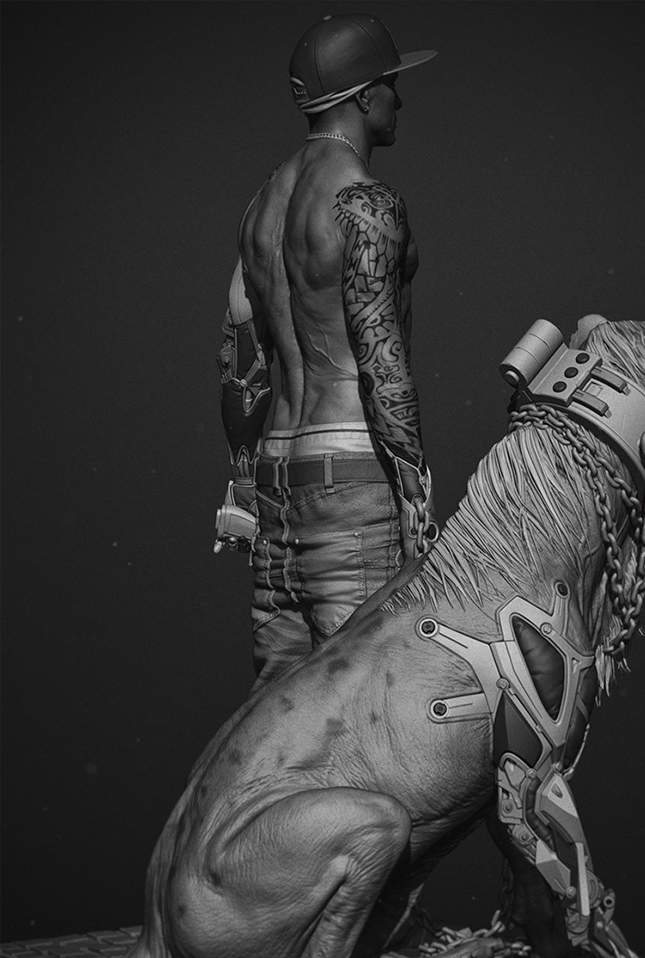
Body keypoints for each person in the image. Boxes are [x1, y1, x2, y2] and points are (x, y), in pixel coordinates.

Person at [214, 13, 438, 685]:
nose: (401, 99)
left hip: (278, 480)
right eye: (392, 84)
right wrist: (415, 500)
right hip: (353, 486)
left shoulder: (263, 206)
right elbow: (380, 358)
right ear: (365, 97)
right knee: (366, 709)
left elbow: (242, 359)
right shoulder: (367, 204)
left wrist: (247, 482)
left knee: (282, 715)